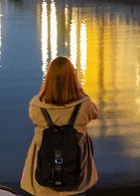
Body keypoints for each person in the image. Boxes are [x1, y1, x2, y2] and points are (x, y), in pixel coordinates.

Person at [21, 56, 99, 195]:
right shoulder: (84, 105)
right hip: (76, 176)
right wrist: (80, 91)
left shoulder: (36, 105)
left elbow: (33, 118)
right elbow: (94, 113)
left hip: (43, 175)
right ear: (72, 77)